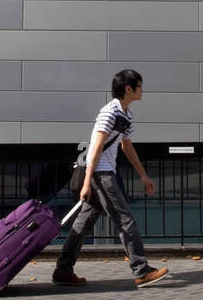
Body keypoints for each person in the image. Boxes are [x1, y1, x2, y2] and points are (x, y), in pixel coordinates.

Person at [53, 69, 170, 288]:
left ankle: (63, 269)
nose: (142, 90)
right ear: (128, 88)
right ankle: (141, 270)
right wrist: (88, 182)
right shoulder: (109, 113)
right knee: (125, 219)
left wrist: (143, 175)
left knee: (83, 221)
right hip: (100, 173)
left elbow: (127, 146)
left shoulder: (126, 114)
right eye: (140, 86)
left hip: (103, 172)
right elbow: (96, 148)